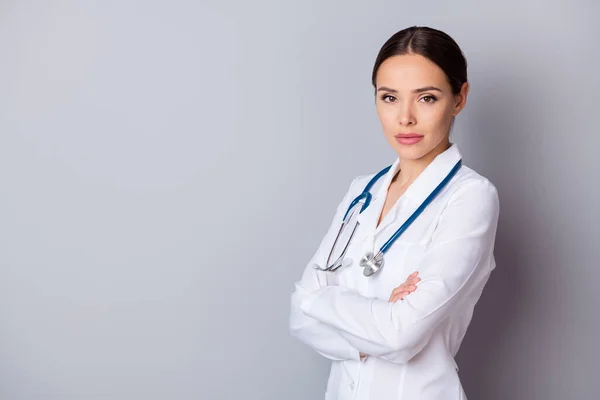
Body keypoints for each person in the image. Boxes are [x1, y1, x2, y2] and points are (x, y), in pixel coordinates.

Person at [289, 26, 500, 400]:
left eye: (426, 98)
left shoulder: (470, 198)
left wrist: (321, 301)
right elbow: (300, 318)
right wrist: (378, 317)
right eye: (389, 97)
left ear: (459, 98)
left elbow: (401, 336)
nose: (405, 118)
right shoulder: (361, 191)